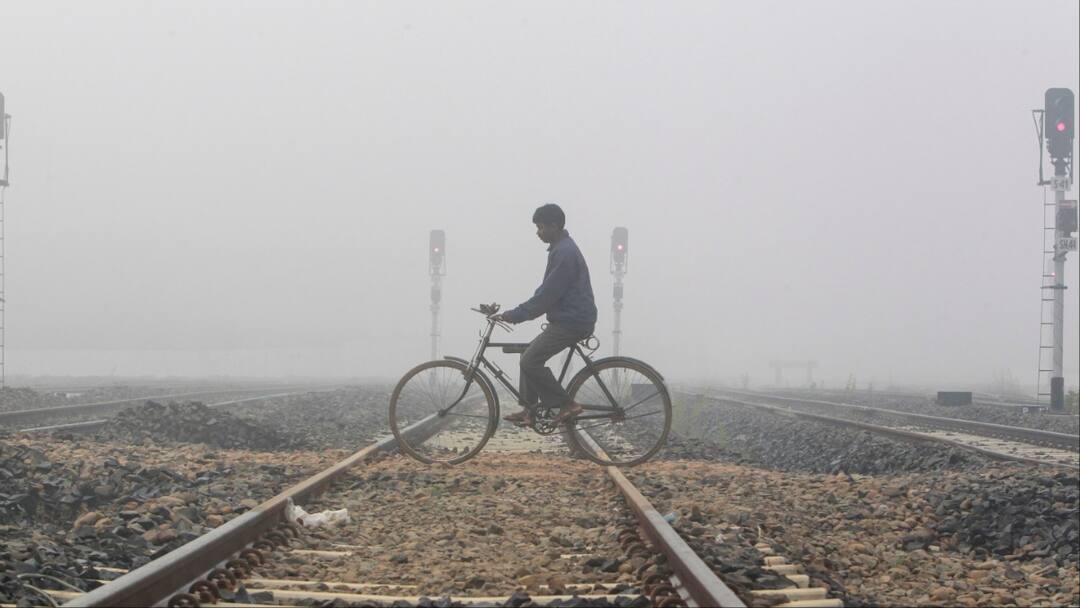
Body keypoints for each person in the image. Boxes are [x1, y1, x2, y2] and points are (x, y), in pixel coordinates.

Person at [492, 204, 598, 427]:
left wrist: (515, 314)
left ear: (554, 226)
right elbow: (546, 293)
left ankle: (566, 404)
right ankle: (530, 409)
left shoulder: (564, 253)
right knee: (527, 354)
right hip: (569, 318)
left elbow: (547, 295)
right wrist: (518, 313)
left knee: (531, 360)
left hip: (573, 321)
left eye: (541, 227)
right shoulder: (561, 249)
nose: (538, 232)